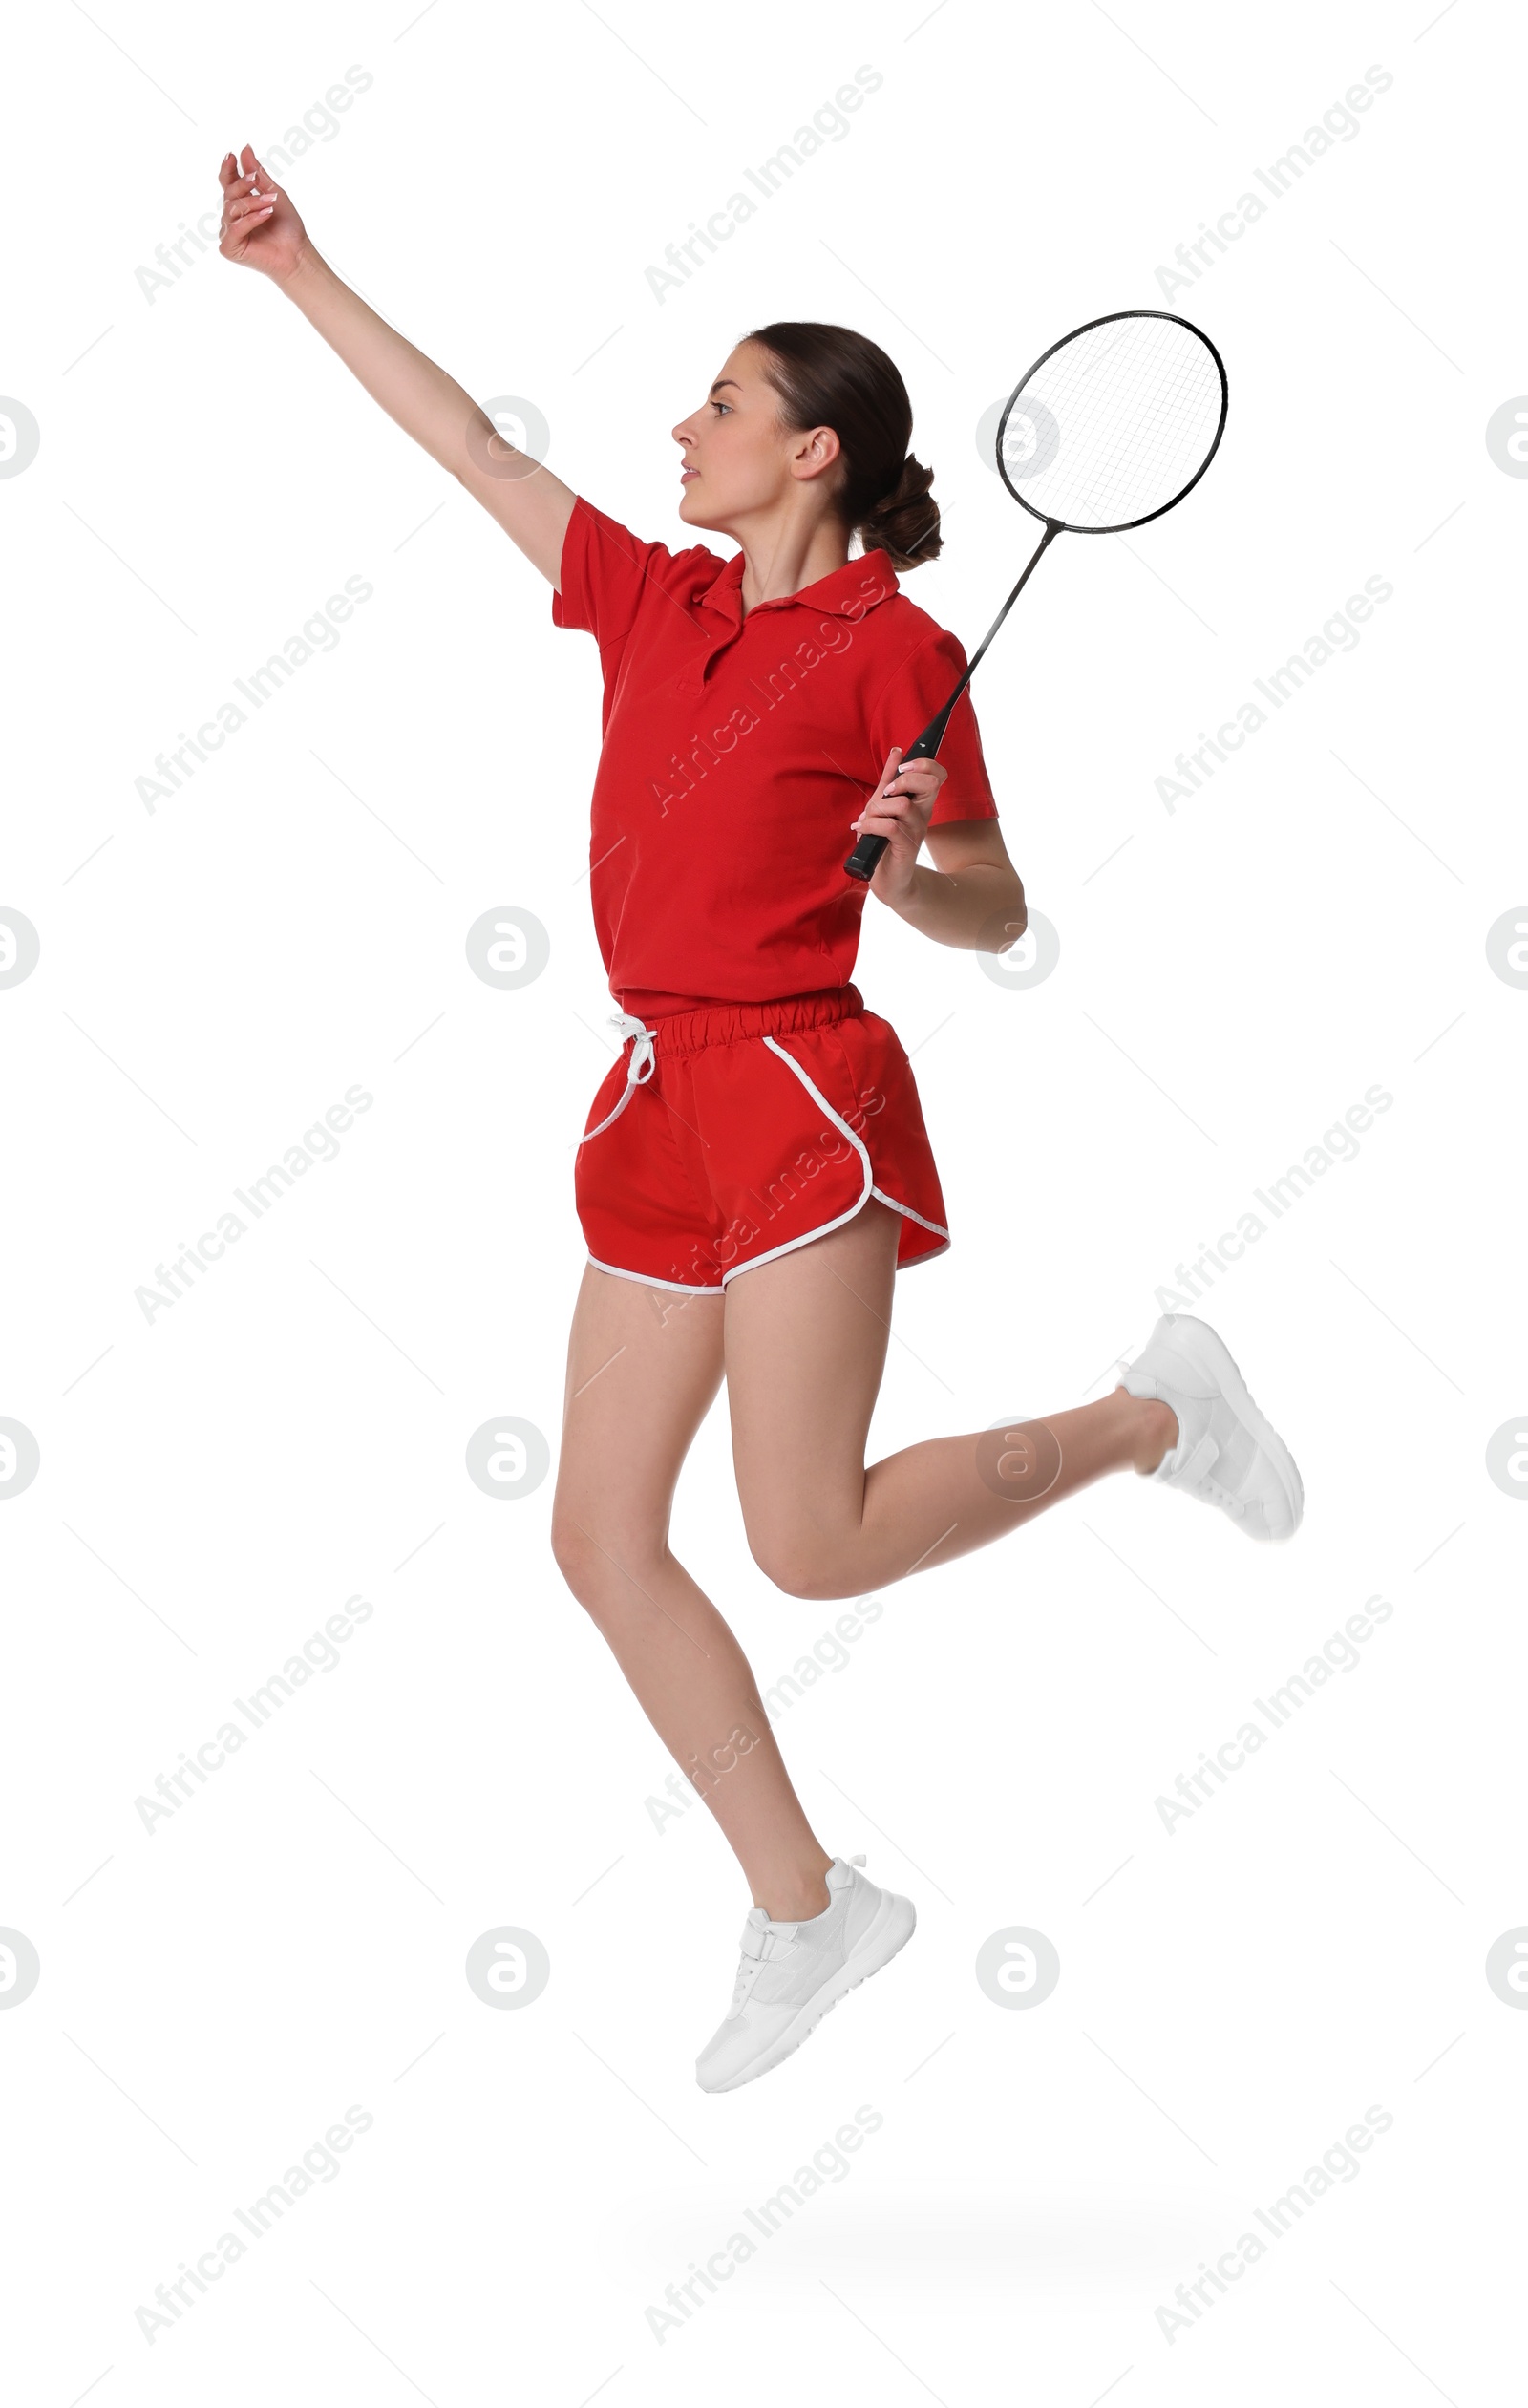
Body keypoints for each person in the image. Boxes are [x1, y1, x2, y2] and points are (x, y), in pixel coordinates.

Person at [218, 146, 1303, 2095]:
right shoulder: (653, 598)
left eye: (721, 402)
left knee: (802, 1542)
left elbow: (996, 911)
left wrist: (907, 882)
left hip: (802, 1086)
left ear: (812, 454)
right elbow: (472, 449)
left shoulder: (897, 655)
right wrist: (301, 268)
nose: (681, 428)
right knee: (596, 1535)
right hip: (654, 1100)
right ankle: (806, 1907)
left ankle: (1150, 1416)